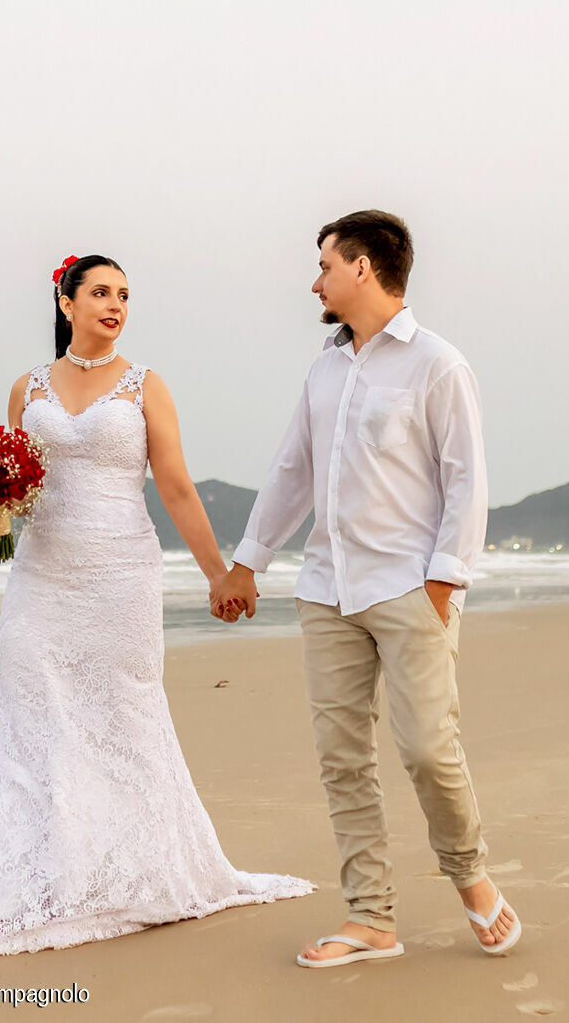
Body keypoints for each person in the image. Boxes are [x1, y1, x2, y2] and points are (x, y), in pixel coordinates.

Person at [0, 253, 314, 954]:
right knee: (30, 723)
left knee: (122, 718)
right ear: (66, 302)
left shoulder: (146, 386)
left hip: (121, 575)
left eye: (123, 295)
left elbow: (173, 485)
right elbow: (19, 492)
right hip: (42, 577)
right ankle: (33, 884)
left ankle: (137, 873)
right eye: (100, 292)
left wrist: (220, 573)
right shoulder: (26, 388)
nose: (115, 305)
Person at [210, 211, 520, 967]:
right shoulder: (323, 368)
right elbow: (292, 469)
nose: (313, 279)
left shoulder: (437, 364)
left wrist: (444, 582)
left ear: (362, 268)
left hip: (409, 587)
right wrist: (248, 561)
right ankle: (370, 918)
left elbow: (464, 478)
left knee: (424, 749)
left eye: (323, 264)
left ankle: (471, 877)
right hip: (326, 589)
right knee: (341, 759)